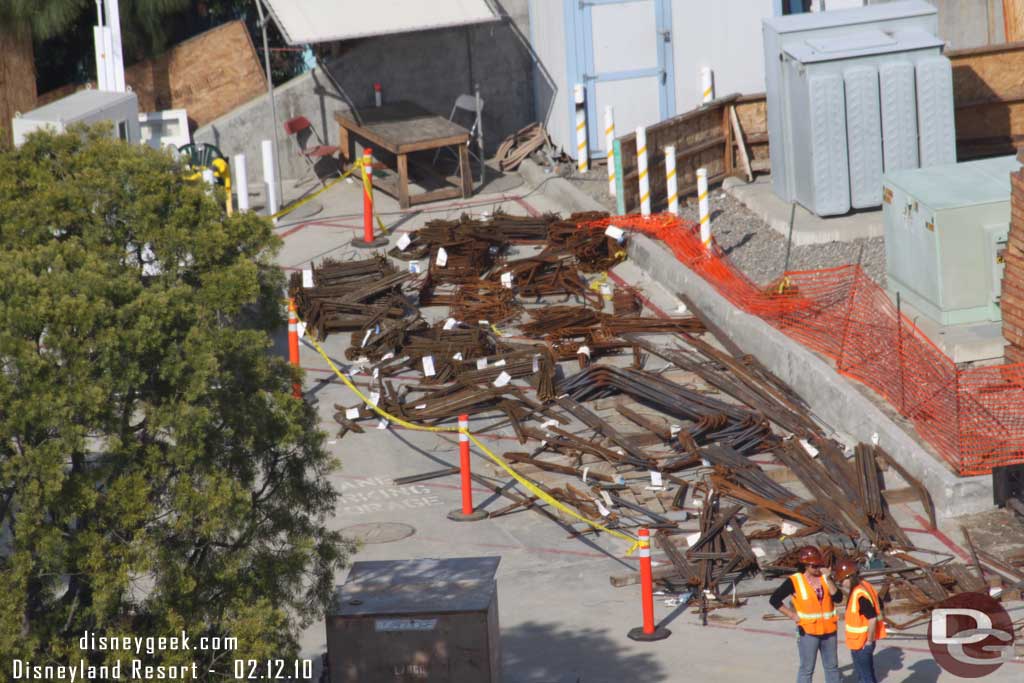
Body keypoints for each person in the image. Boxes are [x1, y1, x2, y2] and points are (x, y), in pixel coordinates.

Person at [770, 545, 842, 683]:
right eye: (814, 566)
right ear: (805, 565)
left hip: (829, 630)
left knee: (832, 667)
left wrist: (829, 579)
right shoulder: (795, 580)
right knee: (807, 669)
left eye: (820, 565)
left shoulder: (824, 578)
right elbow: (774, 599)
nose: (818, 568)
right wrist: (792, 615)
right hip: (808, 632)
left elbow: (837, 598)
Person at [835, 558, 887, 683]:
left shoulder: (859, 595)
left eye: (842, 581)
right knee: (866, 675)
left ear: (849, 578)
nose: (842, 584)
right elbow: (880, 605)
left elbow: (872, 618)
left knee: (865, 677)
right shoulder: (865, 586)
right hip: (859, 642)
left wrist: (869, 641)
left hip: (862, 643)